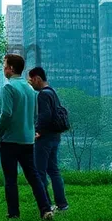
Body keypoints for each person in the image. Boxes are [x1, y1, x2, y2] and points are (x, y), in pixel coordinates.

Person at [0, 53, 53, 221]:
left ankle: (14, 214)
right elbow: (35, 113)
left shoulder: (8, 87)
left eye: (4, 64)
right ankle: (45, 209)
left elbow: (6, 114)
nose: (3, 68)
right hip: (28, 140)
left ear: (11, 68)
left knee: (11, 179)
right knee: (34, 177)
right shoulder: (30, 89)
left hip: (10, 140)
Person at [28, 66, 69, 213]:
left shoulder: (43, 95)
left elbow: (44, 115)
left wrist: (37, 131)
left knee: (39, 172)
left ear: (38, 78)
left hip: (44, 138)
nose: (30, 84)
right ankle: (62, 204)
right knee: (54, 170)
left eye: (31, 80)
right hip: (55, 137)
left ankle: (46, 205)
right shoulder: (52, 92)